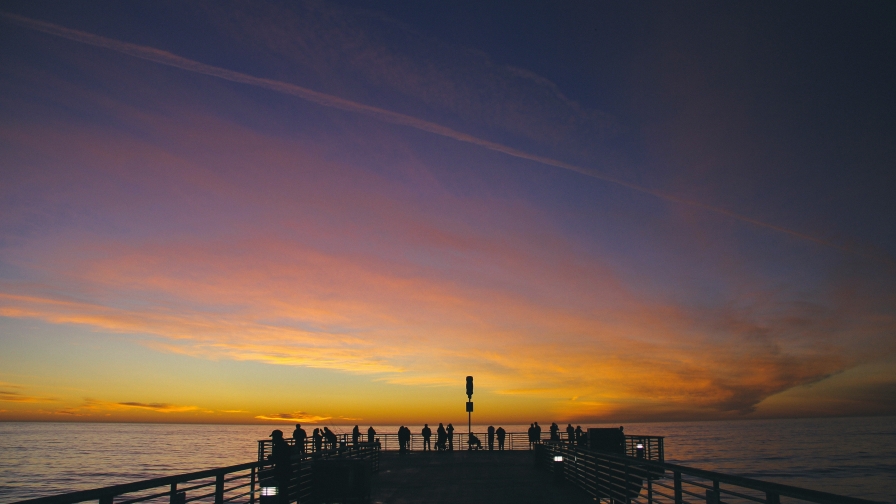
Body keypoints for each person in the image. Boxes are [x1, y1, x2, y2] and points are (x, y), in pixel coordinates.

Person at [268, 430, 291, 504]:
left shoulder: (278, 446)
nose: (273, 439)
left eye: (273, 437)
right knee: (284, 491)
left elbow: (277, 459)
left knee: (281, 490)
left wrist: (270, 458)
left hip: (280, 471)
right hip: (287, 470)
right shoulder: (285, 445)